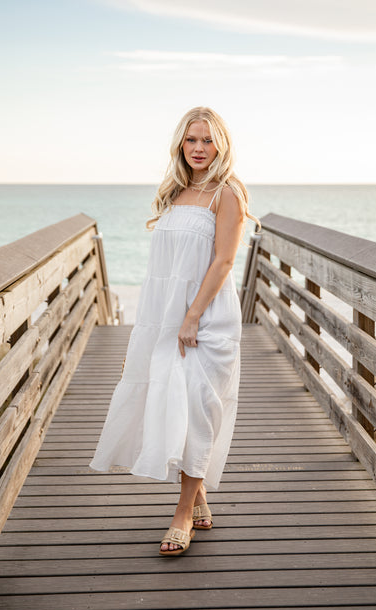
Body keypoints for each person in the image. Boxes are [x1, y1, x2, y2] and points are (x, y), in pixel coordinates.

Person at [89, 106, 261, 556]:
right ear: (180, 145)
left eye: (207, 140)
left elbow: (224, 261)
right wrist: (156, 323)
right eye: (191, 140)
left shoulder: (228, 194)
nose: (199, 148)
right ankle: (198, 495)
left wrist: (192, 317)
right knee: (171, 404)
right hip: (164, 318)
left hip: (206, 320)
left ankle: (182, 514)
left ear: (220, 144)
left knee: (198, 408)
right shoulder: (175, 192)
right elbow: (162, 269)